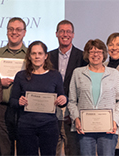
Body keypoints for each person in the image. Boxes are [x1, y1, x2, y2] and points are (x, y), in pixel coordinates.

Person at [68, 39, 119, 156]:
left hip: (108, 129)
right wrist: (76, 118)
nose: (96, 55)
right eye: (91, 52)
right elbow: (71, 101)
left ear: (104, 54)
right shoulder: (78, 73)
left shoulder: (113, 73)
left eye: (99, 51)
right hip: (85, 128)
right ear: (87, 54)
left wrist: (115, 121)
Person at [9, 41, 67, 155]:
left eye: (40, 53)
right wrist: (19, 102)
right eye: (34, 53)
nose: (37, 56)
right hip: (26, 126)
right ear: (29, 56)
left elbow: (62, 97)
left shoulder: (55, 75)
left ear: (45, 56)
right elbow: (12, 101)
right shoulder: (21, 76)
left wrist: (63, 99)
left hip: (49, 125)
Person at [0, 17, 27, 155]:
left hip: (25, 110)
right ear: (7, 31)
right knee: (3, 150)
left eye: (18, 29)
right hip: (1, 109)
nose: (14, 32)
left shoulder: (31, 55)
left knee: (25, 149)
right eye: (11, 29)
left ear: (24, 32)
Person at [47, 19, 87, 156]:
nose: (65, 34)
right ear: (56, 34)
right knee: (51, 150)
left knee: (74, 151)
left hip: (73, 115)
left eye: (69, 31)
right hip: (51, 113)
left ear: (73, 35)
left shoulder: (83, 57)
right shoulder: (47, 57)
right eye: (62, 31)